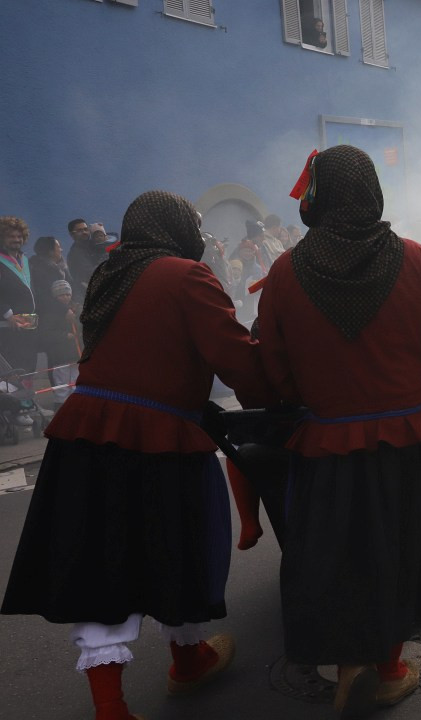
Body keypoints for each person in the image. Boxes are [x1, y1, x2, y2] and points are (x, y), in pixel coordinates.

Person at [2, 191, 272, 720]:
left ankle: (117, 703)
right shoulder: (185, 275)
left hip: (89, 433)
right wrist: (281, 387)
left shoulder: (112, 272)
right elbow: (234, 356)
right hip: (157, 436)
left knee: (102, 564)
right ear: (176, 228)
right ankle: (185, 662)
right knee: (180, 546)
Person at [257, 145, 421, 717]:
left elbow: (273, 365)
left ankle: (349, 658)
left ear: (319, 198)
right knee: (402, 548)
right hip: (407, 438)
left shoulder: (285, 272)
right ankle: (388, 668)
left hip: (326, 440)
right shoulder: (420, 260)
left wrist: (299, 402)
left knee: (339, 553)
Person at [0, 216, 39, 379]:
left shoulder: (24, 259)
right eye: (11, 236)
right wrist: (8, 314)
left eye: (19, 236)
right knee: (12, 367)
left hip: (28, 324)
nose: (16, 240)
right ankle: (13, 404)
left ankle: (28, 402)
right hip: (8, 326)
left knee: (29, 364)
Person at [37, 280, 81, 409]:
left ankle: (75, 403)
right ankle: (61, 404)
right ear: (55, 296)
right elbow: (46, 334)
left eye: (68, 294)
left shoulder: (75, 309)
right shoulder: (50, 313)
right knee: (61, 381)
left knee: (75, 380)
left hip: (75, 353)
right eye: (62, 295)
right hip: (59, 355)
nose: (65, 297)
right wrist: (65, 336)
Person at [67, 217, 108, 306]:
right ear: (72, 234)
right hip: (91, 296)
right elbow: (89, 273)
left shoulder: (93, 245)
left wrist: (99, 229)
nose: (84, 232)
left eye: (86, 229)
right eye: (80, 230)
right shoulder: (76, 253)